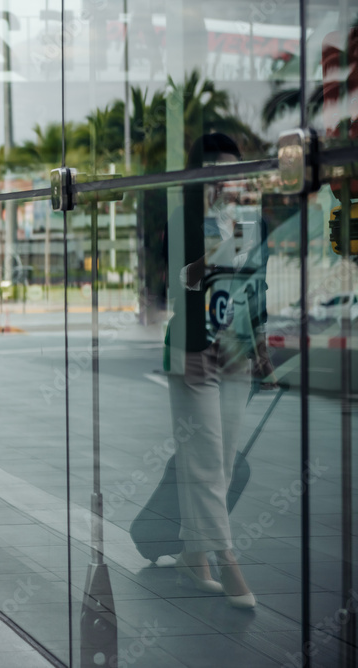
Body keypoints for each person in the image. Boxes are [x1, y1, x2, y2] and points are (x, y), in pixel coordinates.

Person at [165, 132, 273, 609]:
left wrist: (262, 344)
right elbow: (178, 282)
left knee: (220, 461)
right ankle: (228, 562)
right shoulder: (185, 216)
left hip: (237, 349)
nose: (225, 183)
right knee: (206, 460)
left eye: (231, 173)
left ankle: (193, 553)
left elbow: (258, 283)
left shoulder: (252, 220)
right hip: (194, 347)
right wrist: (218, 249)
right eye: (215, 174)